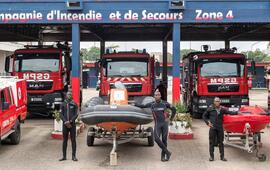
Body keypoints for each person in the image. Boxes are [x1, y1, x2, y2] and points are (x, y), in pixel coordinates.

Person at [136, 90, 176, 162]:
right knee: (156, 139)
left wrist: (171, 119)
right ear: (154, 96)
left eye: (158, 95)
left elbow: (174, 109)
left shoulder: (165, 103)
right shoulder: (152, 104)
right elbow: (143, 106)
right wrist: (135, 104)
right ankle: (167, 152)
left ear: (160, 96)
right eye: (156, 95)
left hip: (164, 124)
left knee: (164, 140)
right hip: (158, 124)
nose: (157, 96)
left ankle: (163, 156)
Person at [202, 97, 237, 162]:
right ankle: (211, 157)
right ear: (214, 102)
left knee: (221, 142)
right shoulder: (210, 109)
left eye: (218, 101)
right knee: (211, 142)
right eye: (216, 101)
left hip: (220, 128)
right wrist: (207, 123)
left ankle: (222, 157)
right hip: (213, 128)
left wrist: (238, 112)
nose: (217, 102)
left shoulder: (222, 109)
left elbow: (230, 112)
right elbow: (204, 116)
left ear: (220, 102)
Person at [59, 91, 79, 161]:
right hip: (65, 125)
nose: (69, 96)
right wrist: (65, 121)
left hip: (72, 125)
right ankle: (64, 156)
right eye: (68, 94)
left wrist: (70, 121)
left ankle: (74, 156)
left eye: (70, 94)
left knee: (73, 140)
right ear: (66, 95)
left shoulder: (74, 104)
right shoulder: (62, 104)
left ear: (72, 96)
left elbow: (76, 114)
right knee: (65, 140)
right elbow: (60, 114)